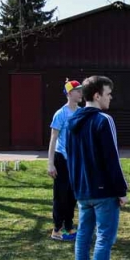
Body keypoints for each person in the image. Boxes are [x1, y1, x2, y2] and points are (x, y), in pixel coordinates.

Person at [66, 76, 129, 260]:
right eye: (108, 93)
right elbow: (112, 158)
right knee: (104, 238)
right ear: (96, 95)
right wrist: (121, 190)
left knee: (83, 236)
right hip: (103, 192)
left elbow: (70, 158)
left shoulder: (72, 121)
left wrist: (76, 187)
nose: (111, 97)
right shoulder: (104, 120)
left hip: (83, 191)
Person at [47, 79, 83, 241]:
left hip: (76, 160)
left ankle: (69, 226)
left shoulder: (82, 112)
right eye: (78, 91)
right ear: (69, 93)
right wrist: (50, 164)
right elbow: (53, 139)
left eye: (81, 90)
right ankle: (57, 229)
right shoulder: (60, 114)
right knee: (61, 195)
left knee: (72, 195)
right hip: (61, 158)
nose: (81, 93)